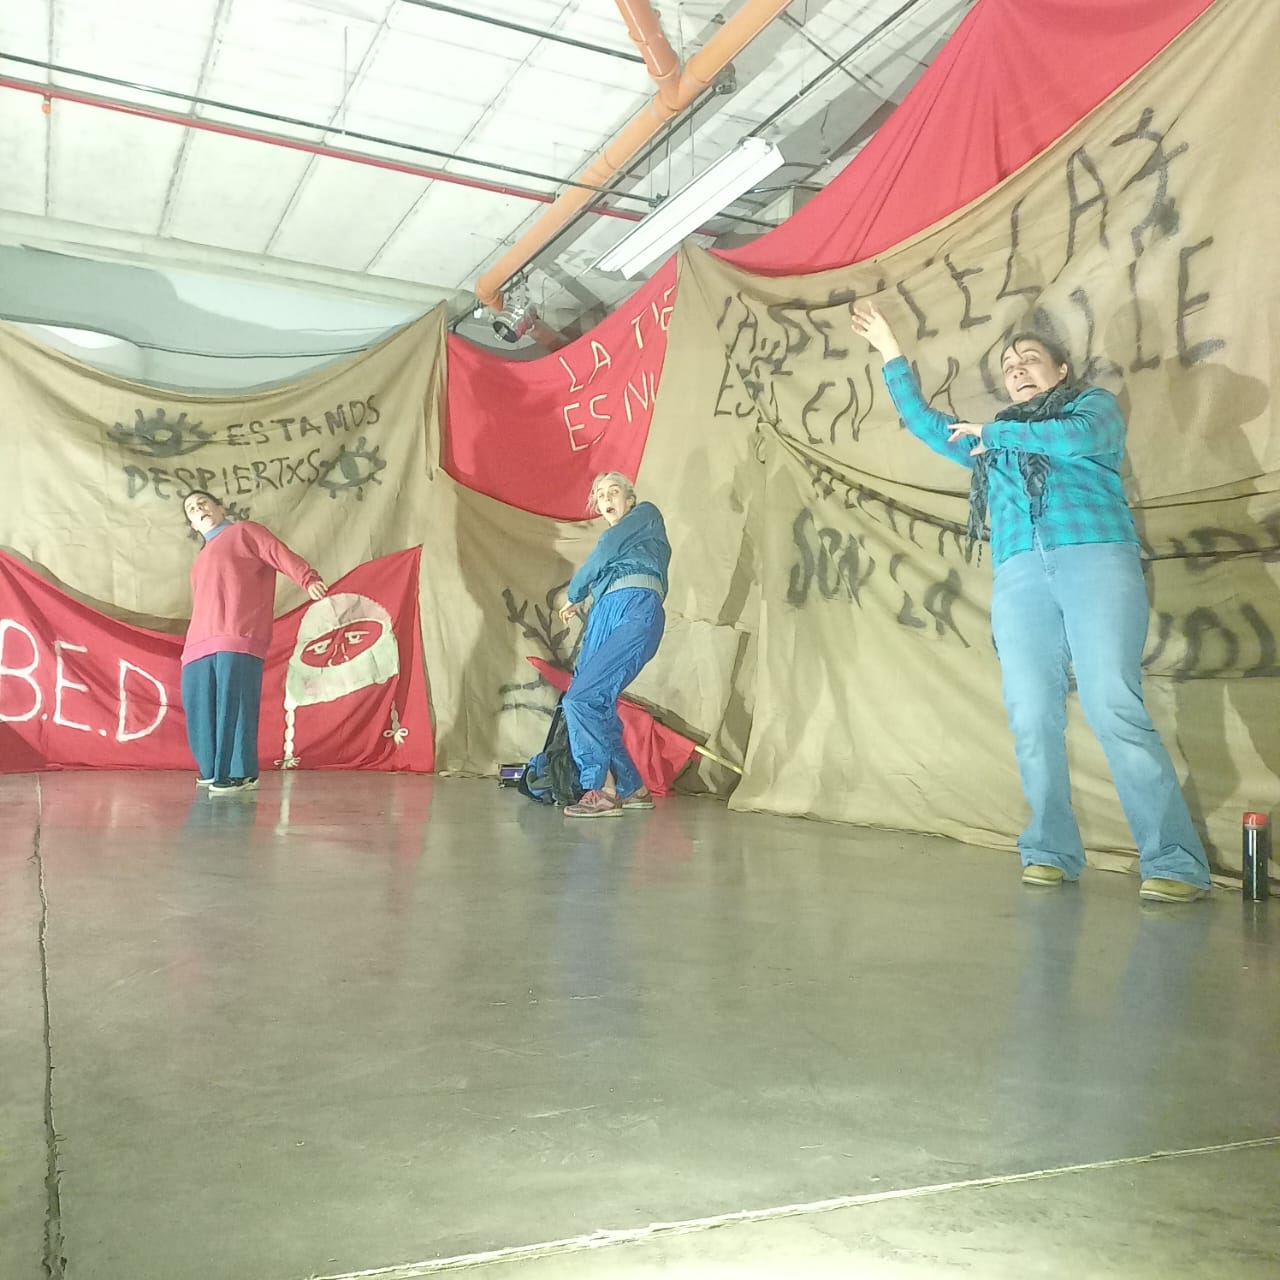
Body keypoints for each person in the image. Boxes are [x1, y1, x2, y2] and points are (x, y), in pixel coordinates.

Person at [850, 303, 1211, 903]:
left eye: (1030, 358)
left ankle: (1174, 860)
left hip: (1096, 558)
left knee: (1112, 703)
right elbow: (921, 421)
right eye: (1009, 364)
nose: (1017, 368)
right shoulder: (992, 443)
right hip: (1019, 575)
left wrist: (994, 433)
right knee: (1030, 712)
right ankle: (1049, 849)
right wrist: (889, 349)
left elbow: (1076, 439)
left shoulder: (1090, 407)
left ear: (1061, 370)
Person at [180, 490, 327, 795]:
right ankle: (211, 769)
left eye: (203, 502)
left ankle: (239, 772)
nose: (198, 508)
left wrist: (307, 578)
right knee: (199, 707)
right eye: (191, 509)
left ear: (220, 508)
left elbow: (277, 553)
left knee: (234, 703)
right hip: (198, 643)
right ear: (193, 525)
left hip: (237, 633)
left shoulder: (244, 532)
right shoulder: (199, 561)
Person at [556, 473, 671, 818]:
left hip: (635, 605)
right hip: (604, 612)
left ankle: (602, 790)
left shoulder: (645, 515)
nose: (606, 498)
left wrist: (575, 593)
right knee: (594, 703)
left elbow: (606, 548)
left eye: (614, 491)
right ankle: (632, 787)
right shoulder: (617, 549)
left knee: (580, 699)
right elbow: (607, 557)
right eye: (600, 495)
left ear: (629, 499)